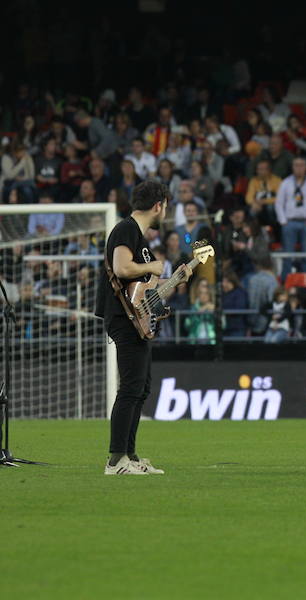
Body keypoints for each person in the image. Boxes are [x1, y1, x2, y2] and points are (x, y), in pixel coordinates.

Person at [94, 180, 192, 475]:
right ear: (158, 205)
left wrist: (175, 279)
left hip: (134, 317)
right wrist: (152, 267)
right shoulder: (126, 230)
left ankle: (130, 456)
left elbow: (147, 294)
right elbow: (123, 268)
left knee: (141, 386)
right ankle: (116, 461)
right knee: (131, 387)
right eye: (166, 205)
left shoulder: (140, 237)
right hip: (122, 318)